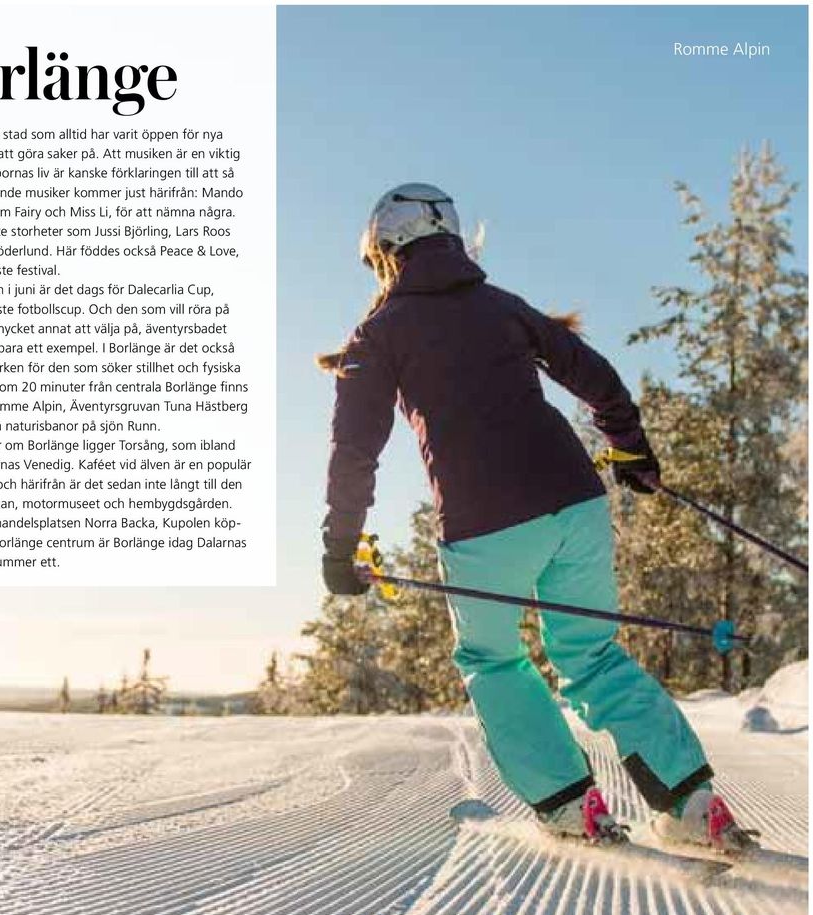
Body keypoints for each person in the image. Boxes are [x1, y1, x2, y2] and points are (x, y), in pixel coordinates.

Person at [319, 182, 754, 852]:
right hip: (574, 502)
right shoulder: (501, 307)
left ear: (386, 250)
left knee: (493, 660)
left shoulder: (378, 334)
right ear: (452, 239)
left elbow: (355, 448)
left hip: (483, 524)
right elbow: (596, 375)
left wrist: (340, 544)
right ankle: (692, 805)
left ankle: (569, 803)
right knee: (592, 654)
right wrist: (630, 448)